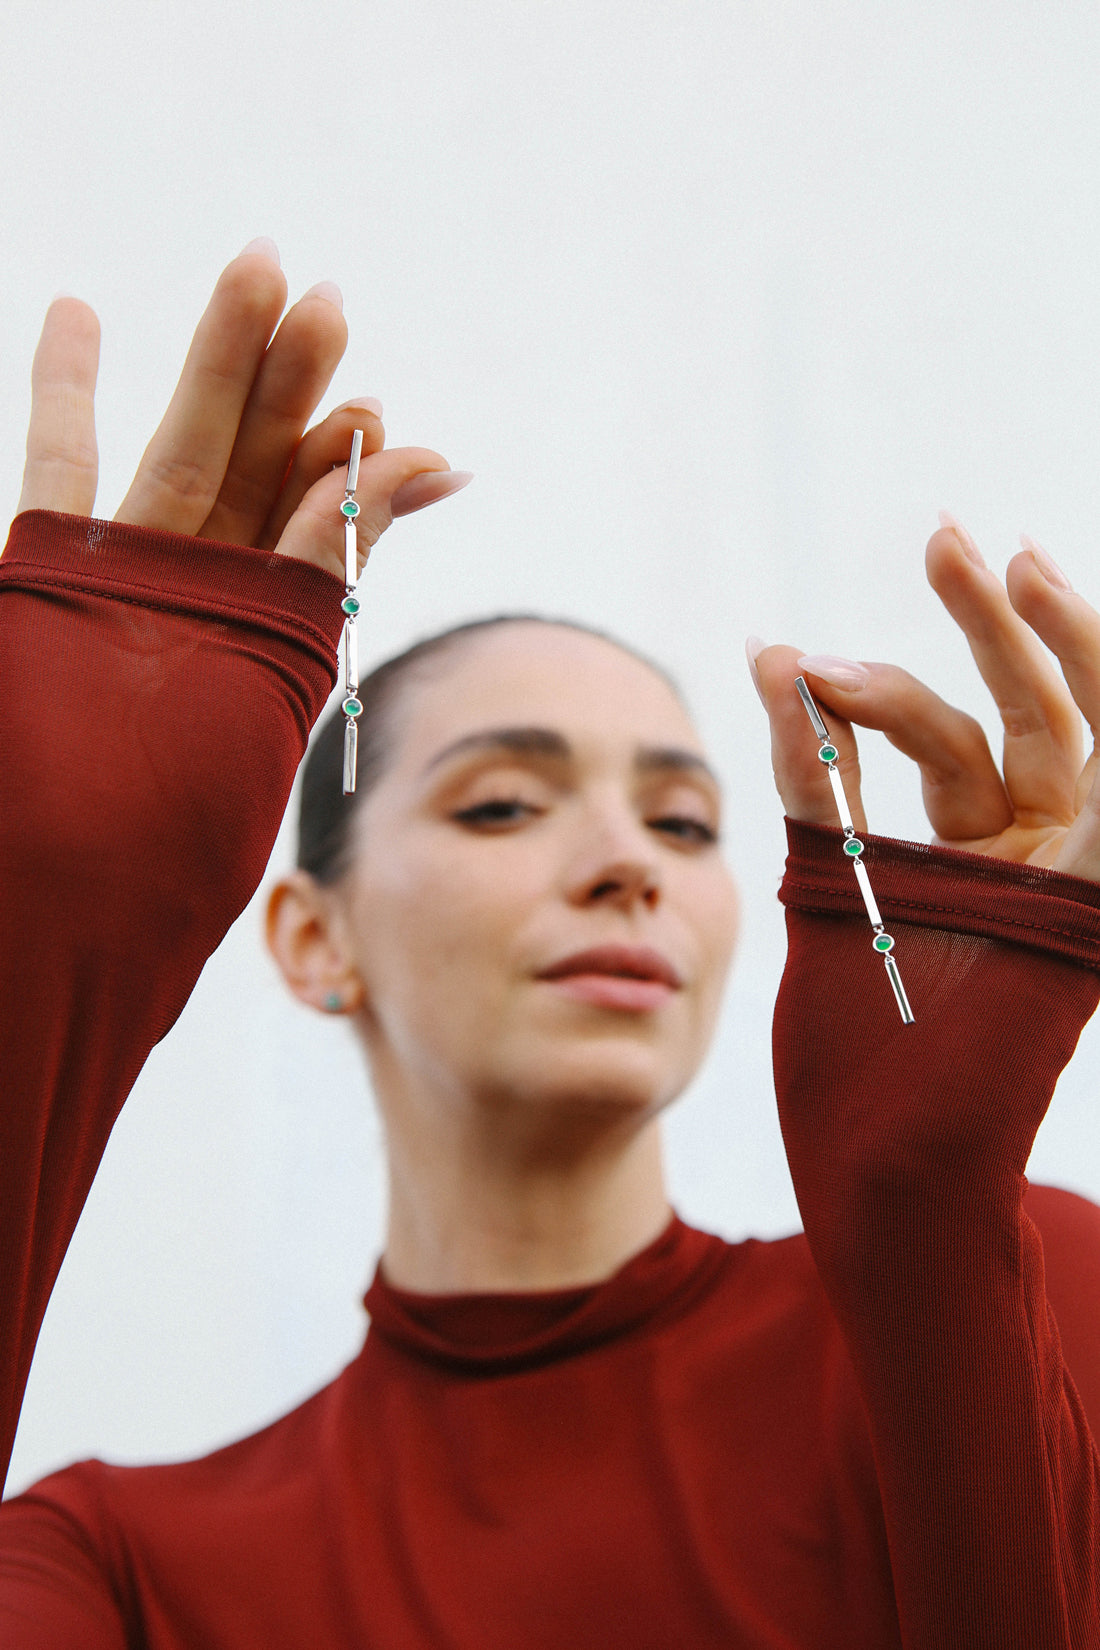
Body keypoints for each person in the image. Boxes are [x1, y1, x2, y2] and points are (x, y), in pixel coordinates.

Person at [2, 240, 1100, 1649]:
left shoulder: (1032, 1283)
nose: (626, 864)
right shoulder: (124, 1569)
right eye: (505, 801)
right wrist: (33, 952)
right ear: (309, 935)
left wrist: (934, 1236)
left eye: (688, 823)